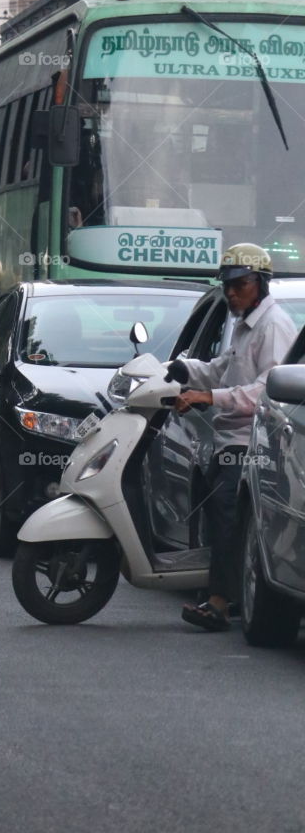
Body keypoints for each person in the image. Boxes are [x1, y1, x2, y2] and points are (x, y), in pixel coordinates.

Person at [168, 243, 297, 632]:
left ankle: (221, 603)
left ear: (260, 283)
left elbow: (265, 389)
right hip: (228, 439)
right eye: (227, 285)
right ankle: (222, 592)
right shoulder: (245, 325)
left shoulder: (273, 327)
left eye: (240, 284)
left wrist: (209, 397)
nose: (231, 292)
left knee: (227, 519)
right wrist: (180, 369)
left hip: (251, 442)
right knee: (218, 518)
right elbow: (222, 368)